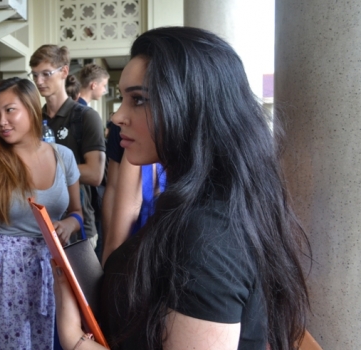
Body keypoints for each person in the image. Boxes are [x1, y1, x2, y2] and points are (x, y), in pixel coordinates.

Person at [53, 27, 310, 350]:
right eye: (123, 98)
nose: (118, 116)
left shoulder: (208, 233)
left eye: (139, 100)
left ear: (192, 104)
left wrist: (75, 340)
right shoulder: (196, 201)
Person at [0, 77, 83, 350]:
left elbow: (78, 213)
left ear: (30, 108)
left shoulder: (63, 156)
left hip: (53, 267)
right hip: (4, 272)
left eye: (9, 110)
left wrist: (67, 224)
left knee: (55, 339)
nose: (1, 121)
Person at [31, 45, 106, 249]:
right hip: (41, 224)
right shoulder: (33, 120)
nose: (39, 81)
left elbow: (95, 173)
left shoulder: (85, 117)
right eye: (35, 75)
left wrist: (46, 170)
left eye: (46, 74)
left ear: (64, 72)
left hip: (78, 224)